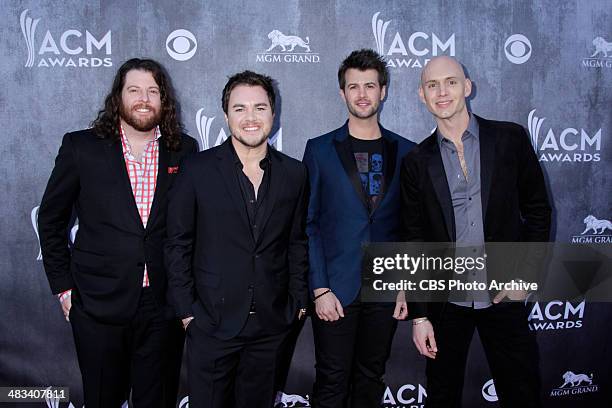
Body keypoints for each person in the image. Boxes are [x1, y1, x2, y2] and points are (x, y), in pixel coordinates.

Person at [38, 58, 198, 407]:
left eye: (153, 91)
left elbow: (190, 228)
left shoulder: (183, 150)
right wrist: (64, 288)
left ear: (163, 100)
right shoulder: (81, 148)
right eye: (135, 90)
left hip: (162, 306)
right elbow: (50, 220)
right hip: (97, 305)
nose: (144, 98)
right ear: (118, 97)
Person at [401, 55, 551, 407]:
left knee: (521, 391)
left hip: (503, 294)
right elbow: (414, 240)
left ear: (467, 87)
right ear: (421, 95)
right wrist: (420, 314)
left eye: (451, 82)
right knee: (442, 395)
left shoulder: (509, 138)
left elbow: (538, 212)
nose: (442, 92)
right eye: (432, 85)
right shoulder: (415, 162)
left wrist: (525, 278)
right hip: (445, 302)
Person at [164, 70, 309, 408]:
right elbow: (177, 243)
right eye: (240, 108)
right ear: (226, 114)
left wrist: (299, 302)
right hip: (211, 324)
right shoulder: (197, 169)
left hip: (272, 325)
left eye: (260, 108)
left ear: (273, 114)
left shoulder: (294, 173)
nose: (250, 118)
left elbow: (297, 241)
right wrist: (188, 312)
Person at [302, 49, 415, 407]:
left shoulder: (408, 152)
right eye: (354, 86)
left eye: (370, 85)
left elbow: (410, 227)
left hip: (385, 287)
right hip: (336, 288)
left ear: (384, 90)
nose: (362, 94)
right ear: (342, 93)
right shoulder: (319, 150)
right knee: (332, 381)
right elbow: (308, 223)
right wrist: (319, 288)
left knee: (371, 377)